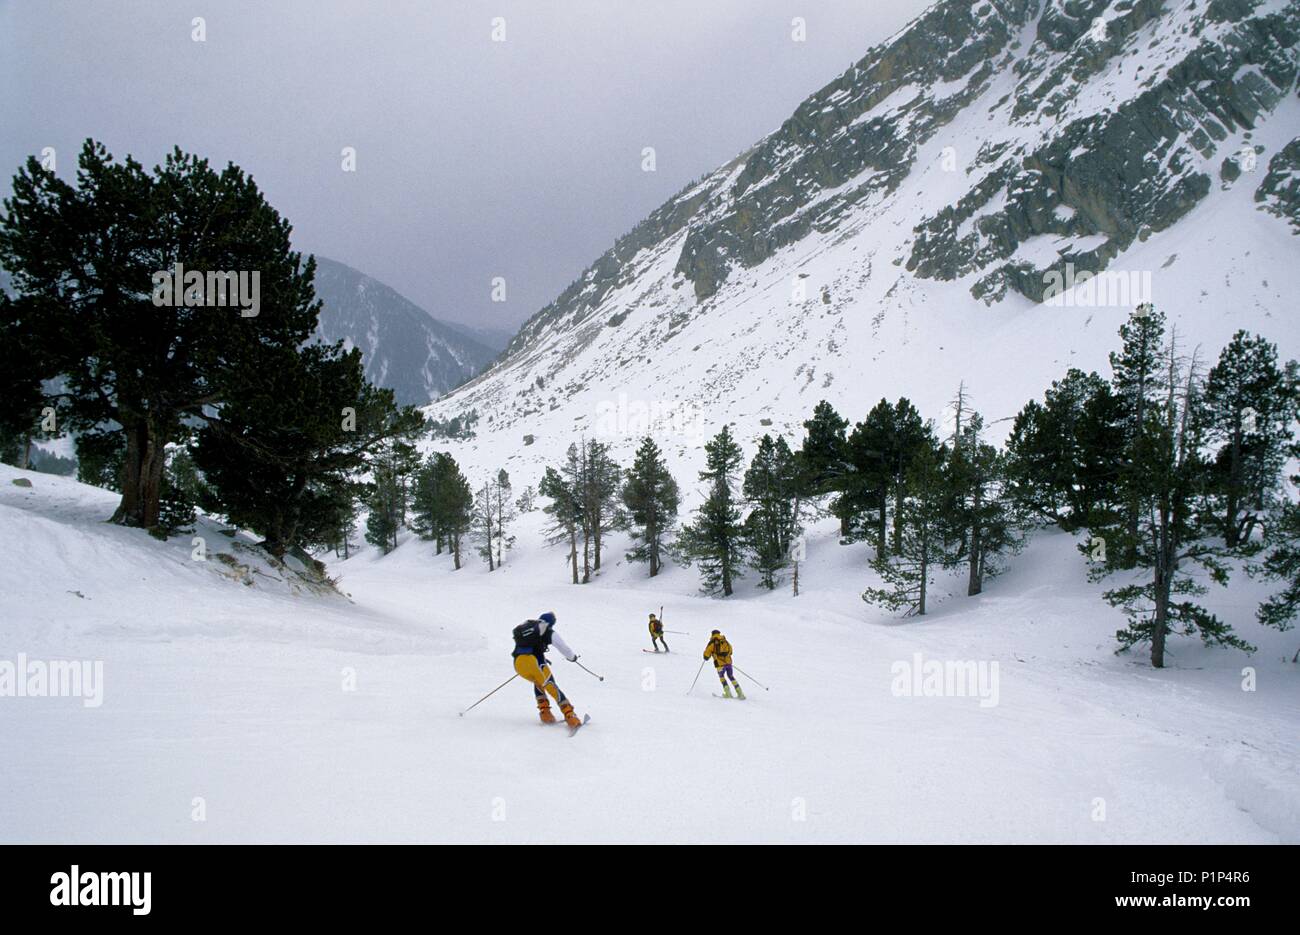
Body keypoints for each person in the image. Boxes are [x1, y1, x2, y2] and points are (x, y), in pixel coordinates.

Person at [511, 612, 583, 727]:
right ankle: (570, 715)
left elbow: (529, 649)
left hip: (518, 665)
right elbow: (563, 647)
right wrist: (572, 658)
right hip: (535, 664)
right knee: (551, 686)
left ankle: (545, 712)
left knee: (538, 681)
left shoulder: (528, 628)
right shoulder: (548, 631)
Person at [703, 629, 744, 699]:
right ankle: (740, 693)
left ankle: (727, 693)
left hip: (719, 664)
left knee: (722, 677)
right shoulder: (725, 641)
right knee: (731, 676)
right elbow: (731, 651)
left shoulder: (712, 642)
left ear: (712, 634)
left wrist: (706, 657)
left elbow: (706, 655)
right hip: (728, 663)